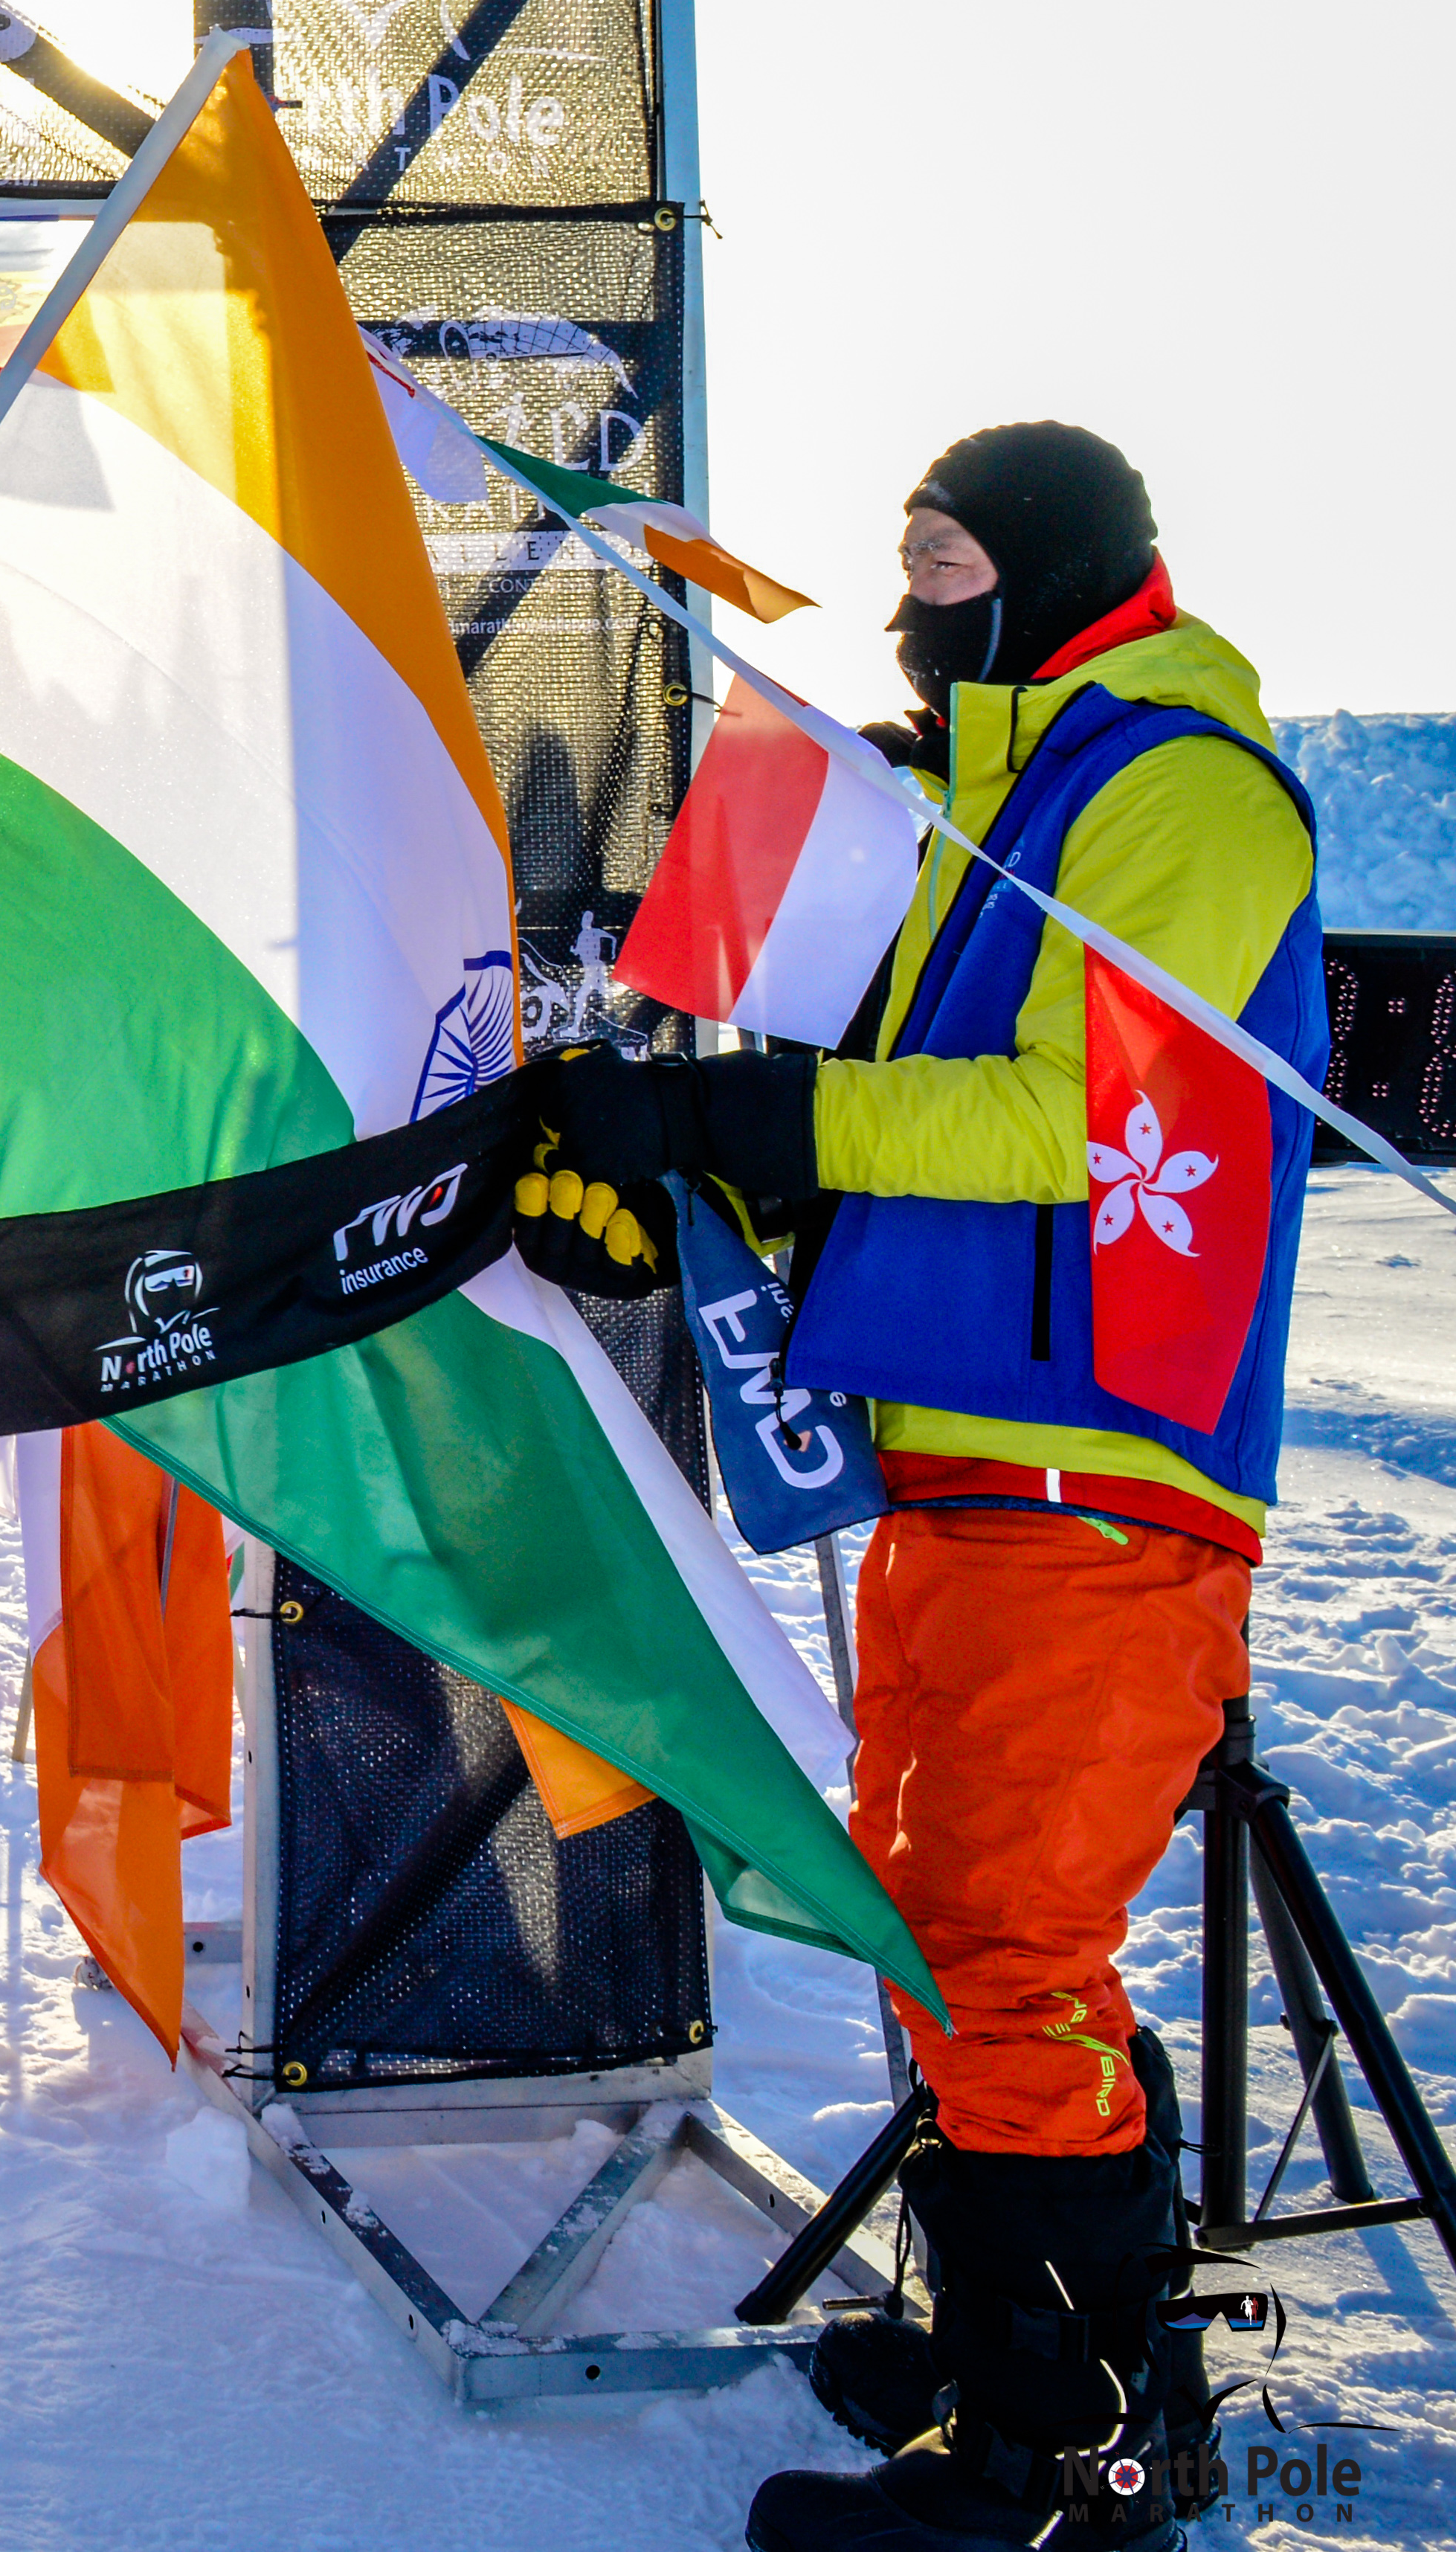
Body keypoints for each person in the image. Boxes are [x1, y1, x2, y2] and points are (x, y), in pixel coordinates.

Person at [522, 423, 1319, 2552]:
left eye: (947, 559)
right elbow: (892, 1153)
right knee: (936, 1922)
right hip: (967, 1463)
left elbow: (1073, 1118)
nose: (908, 604)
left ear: (1056, 566)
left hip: (1104, 1474)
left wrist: (769, 1128)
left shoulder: (1180, 788)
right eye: (902, 561)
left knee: (1006, 1944)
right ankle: (1027, 2353)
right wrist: (697, 1177)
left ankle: (1072, 2462)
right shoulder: (984, 804)